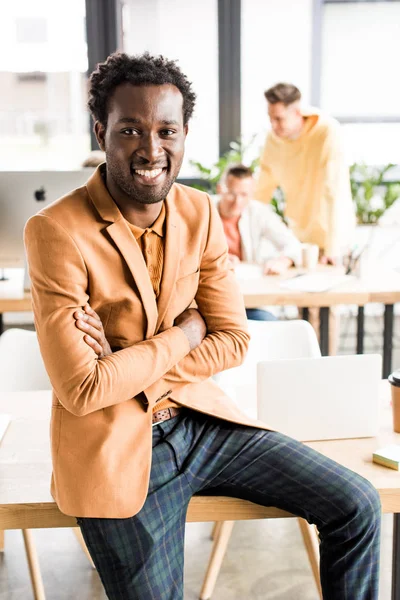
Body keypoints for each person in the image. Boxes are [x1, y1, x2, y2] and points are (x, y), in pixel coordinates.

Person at [24, 52, 380, 600]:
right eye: (130, 130)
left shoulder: (200, 211)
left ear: (185, 132)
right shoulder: (56, 231)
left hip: (202, 420)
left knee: (357, 504)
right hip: (117, 446)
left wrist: (126, 358)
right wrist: (185, 334)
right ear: (102, 133)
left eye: (167, 130)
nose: (151, 149)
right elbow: (83, 388)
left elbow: (234, 338)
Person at [255, 82, 355, 264]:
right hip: (298, 236)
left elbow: (333, 190)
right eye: (270, 119)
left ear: (297, 113)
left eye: (279, 119)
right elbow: (262, 189)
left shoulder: (326, 131)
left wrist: (333, 247)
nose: (274, 125)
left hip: (332, 236)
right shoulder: (273, 138)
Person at [216, 163, 301, 321]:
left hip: (250, 300)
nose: (237, 201)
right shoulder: (203, 210)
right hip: (214, 301)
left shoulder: (258, 212)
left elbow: (292, 244)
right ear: (220, 189)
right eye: (232, 194)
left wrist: (284, 260)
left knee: (268, 325)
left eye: (244, 195)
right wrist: (217, 260)